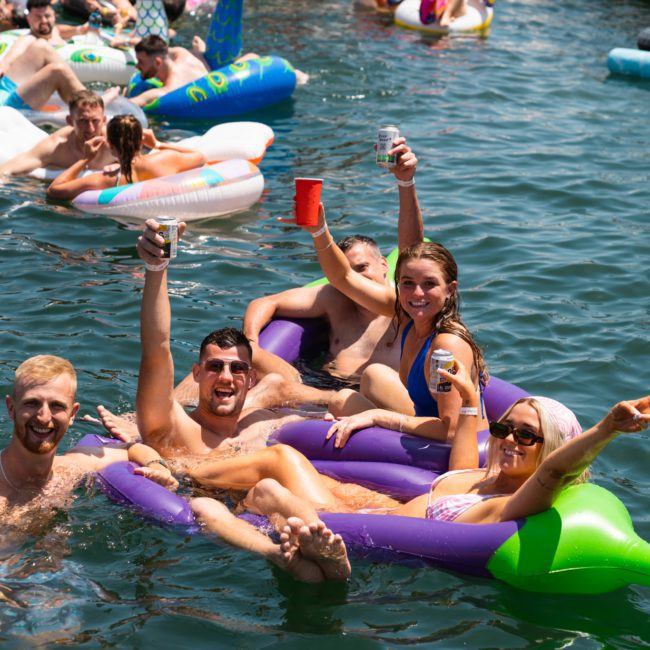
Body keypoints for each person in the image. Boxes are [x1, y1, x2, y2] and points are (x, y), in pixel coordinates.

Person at [147, 358, 649, 530]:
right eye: (504, 429)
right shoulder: (488, 475)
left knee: (278, 460)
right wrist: (472, 401)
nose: (509, 440)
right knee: (278, 465)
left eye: (526, 435)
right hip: (369, 503)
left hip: (361, 525)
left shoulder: (514, 500)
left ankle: (178, 473)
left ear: (550, 446)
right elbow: (456, 461)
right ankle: (190, 471)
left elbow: (554, 473)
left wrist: (605, 429)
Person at [293, 199, 489, 447]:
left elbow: (451, 430)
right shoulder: (408, 319)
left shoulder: (445, 347)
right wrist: (319, 231)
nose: (417, 294)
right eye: (408, 283)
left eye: (429, 284)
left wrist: (380, 417)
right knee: (344, 400)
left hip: (463, 449)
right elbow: (343, 278)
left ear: (450, 290)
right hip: (427, 427)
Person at [234, 137, 422, 386]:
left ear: (385, 266)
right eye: (351, 271)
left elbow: (413, 252)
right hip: (326, 387)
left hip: (382, 403)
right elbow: (266, 302)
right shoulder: (335, 298)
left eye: (363, 267)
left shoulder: (404, 305)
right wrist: (251, 344)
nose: (357, 277)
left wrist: (405, 181)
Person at [0, 354, 176, 524]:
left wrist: (158, 467)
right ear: (11, 408)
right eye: (32, 403)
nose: (44, 417)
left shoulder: (70, 469)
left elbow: (131, 449)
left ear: (72, 414)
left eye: (57, 406)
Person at [46, 114, 205, 199]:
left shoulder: (104, 179)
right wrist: (157, 144)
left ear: (110, 145)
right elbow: (200, 157)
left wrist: (86, 158)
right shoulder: (165, 159)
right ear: (141, 141)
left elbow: (54, 190)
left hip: (131, 233)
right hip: (166, 227)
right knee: (162, 258)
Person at [0, 90, 117, 177]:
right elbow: (12, 167)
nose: (90, 129)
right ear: (69, 121)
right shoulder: (58, 146)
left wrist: (120, 165)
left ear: (104, 120)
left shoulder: (115, 142)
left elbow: (135, 161)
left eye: (95, 121)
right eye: (83, 121)